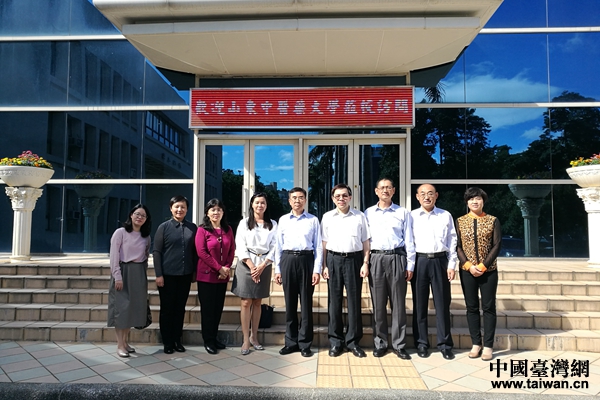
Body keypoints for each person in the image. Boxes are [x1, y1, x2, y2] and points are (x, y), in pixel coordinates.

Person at [364, 178, 414, 360]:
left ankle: (399, 345)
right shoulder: (368, 213)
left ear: (393, 190)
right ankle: (380, 343)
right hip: (376, 259)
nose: (385, 190)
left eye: (388, 188)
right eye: (382, 188)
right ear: (376, 191)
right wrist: (365, 262)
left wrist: (410, 264)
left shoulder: (403, 212)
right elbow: (365, 241)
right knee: (378, 305)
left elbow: (409, 239)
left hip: (397, 257)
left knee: (398, 304)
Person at [321, 183, 371, 358]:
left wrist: (365, 263)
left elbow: (365, 242)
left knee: (354, 301)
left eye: (344, 195)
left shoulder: (360, 216)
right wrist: (324, 265)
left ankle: (353, 342)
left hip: (354, 260)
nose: (341, 199)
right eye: (337, 196)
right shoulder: (327, 217)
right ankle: (336, 342)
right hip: (333, 260)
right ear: (333, 199)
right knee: (334, 302)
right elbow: (323, 243)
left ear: (350, 197)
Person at [410, 184, 457, 360]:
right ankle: (421, 343)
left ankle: (444, 344)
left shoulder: (445, 215)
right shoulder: (411, 216)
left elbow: (452, 240)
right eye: (422, 194)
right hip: (419, 261)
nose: (426, 197)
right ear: (417, 196)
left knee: (442, 304)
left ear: (436, 195)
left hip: (440, 261)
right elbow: (408, 242)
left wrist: (451, 264)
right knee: (419, 305)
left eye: (430, 193)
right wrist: (409, 266)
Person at [274, 187, 322, 358]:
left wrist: (316, 270)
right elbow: (278, 246)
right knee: (290, 303)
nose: (297, 201)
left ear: (305, 200)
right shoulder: (283, 220)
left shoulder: (313, 220)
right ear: (289, 201)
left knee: (306, 304)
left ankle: (305, 343)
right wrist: (277, 269)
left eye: (301, 197)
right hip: (288, 260)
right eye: (294, 198)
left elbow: (318, 247)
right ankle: (291, 342)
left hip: (306, 260)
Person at [456, 187, 501, 362]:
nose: (475, 201)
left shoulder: (492, 220)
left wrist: (483, 266)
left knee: (489, 307)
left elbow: (496, 245)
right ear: (467, 202)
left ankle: (488, 345)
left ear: (483, 201)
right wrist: (468, 265)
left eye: (478, 198)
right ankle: (476, 343)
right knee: (472, 307)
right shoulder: (460, 221)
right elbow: (457, 246)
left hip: (488, 271)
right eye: (471, 199)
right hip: (467, 271)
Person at [232, 192, 277, 355]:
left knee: (258, 302)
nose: (260, 205)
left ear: (266, 205)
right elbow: (240, 245)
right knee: (246, 302)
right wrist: (252, 266)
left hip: (264, 265)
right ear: (252, 204)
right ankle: (245, 339)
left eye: (263, 202)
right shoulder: (244, 223)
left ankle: (254, 336)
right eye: (257, 202)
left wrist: (262, 265)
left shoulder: (273, 224)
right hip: (246, 264)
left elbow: (275, 246)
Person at [153, 195, 197, 354]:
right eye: (177, 206)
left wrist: (194, 272)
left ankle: (177, 339)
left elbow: (195, 252)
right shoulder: (163, 227)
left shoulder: (192, 228)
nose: (180, 209)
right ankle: (167, 342)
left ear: (187, 209)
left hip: (185, 275)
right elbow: (156, 252)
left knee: (180, 308)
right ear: (171, 208)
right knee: (167, 309)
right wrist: (159, 274)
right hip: (167, 276)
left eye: (183, 207)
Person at [107, 204, 152, 358]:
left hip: (138, 274)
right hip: (123, 271)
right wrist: (117, 276)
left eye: (143, 216)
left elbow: (145, 257)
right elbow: (114, 256)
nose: (140, 217)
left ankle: (125, 342)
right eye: (137, 214)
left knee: (133, 310)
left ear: (146, 219)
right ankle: (120, 345)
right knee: (122, 309)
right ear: (131, 215)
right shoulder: (120, 233)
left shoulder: (146, 237)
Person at [195, 198, 235, 355]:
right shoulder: (202, 230)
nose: (216, 212)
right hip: (207, 276)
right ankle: (208, 340)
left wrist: (226, 267)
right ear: (207, 212)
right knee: (208, 310)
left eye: (219, 209)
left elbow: (231, 250)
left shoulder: (228, 229)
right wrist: (219, 268)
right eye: (213, 209)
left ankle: (214, 337)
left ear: (223, 212)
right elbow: (202, 252)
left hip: (222, 276)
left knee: (218, 309)